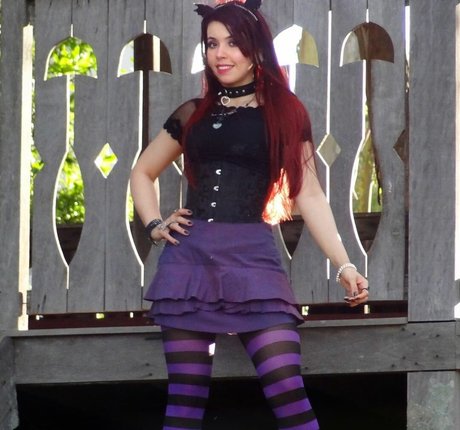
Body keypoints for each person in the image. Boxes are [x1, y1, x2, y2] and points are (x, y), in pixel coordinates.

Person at [130, 1, 369, 428]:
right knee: (185, 400)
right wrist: (154, 225)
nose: (220, 54)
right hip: (189, 263)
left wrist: (344, 264)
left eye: (232, 43)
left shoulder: (286, 112)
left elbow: (309, 194)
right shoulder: (192, 113)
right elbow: (142, 172)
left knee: (286, 387)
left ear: (256, 48)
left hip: (252, 258)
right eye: (212, 44)